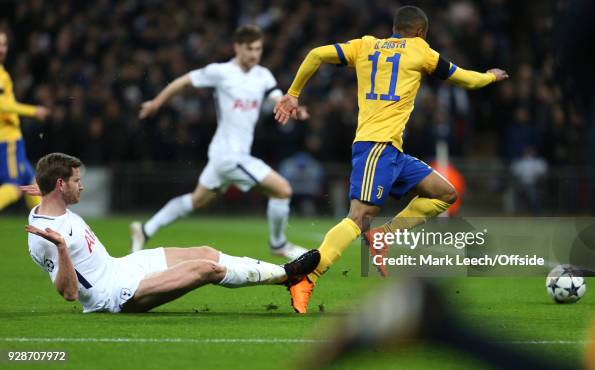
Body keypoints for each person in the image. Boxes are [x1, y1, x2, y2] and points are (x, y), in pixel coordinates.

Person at [274, 5, 509, 313]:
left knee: (445, 193)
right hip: (376, 146)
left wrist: (293, 93)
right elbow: (467, 80)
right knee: (358, 216)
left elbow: (317, 54)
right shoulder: (421, 51)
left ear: (395, 27)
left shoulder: (365, 44)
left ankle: (383, 236)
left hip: (391, 150)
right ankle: (308, 276)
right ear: (421, 31)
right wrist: (490, 77)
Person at [24, 152, 319, 313]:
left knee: (204, 251)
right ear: (61, 185)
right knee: (207, 269)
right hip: (114, 294)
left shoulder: (52, 204)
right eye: (76, 181)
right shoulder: (45, 236)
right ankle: (286, 274)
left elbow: (52, 194)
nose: (82, 186)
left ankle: (287, 274)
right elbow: (70, 294)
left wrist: (46, 188)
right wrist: (62, 248)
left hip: (121, 266)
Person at [132, 25, 309, 260]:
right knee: (283, 190)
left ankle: (145, 230)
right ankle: (278, 244)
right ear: (237, 47)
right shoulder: (221, 72)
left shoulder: (263, 75)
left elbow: (275, 95)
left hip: (225, 156)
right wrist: (156, 103)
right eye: (249, 49)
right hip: (230, 156)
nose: (254, 54)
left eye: (258, 49)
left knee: (196, 201)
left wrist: (289, 107)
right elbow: (184, 81)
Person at [0, 29, 50, 211]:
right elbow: (2, 105)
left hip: (13, 139)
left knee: (33, 184)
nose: (1, 48)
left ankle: (44, 227)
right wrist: (33, 110)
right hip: (7, 139)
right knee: (14, 186)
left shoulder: (3, 72)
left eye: (4, 44)